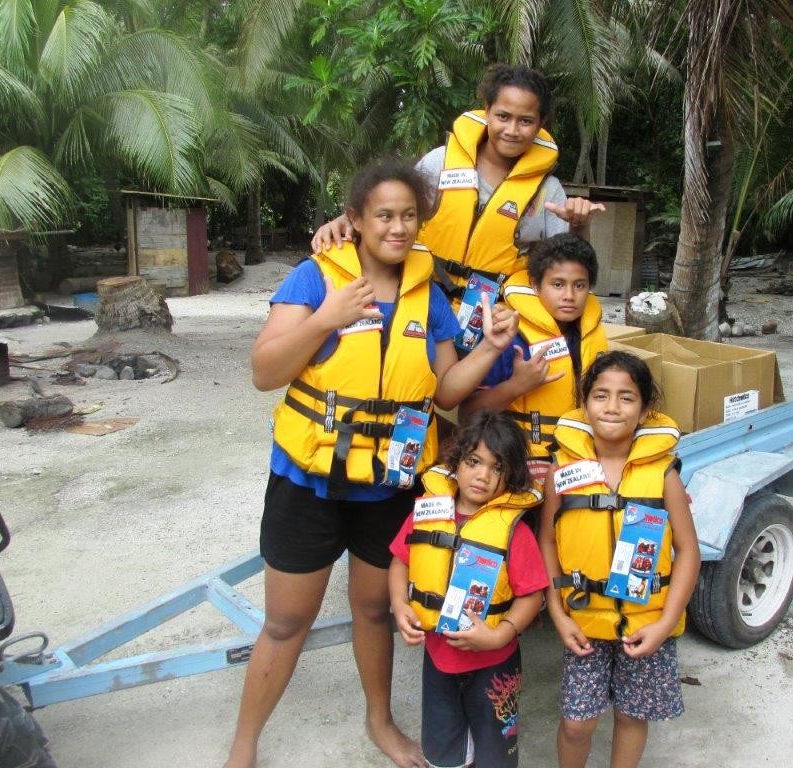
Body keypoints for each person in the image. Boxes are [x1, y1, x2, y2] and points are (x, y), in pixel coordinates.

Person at [224, 160, 520, 768]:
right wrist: (327, 319)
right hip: (308, 482)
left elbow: (445, 391)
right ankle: (244, 745)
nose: (398, 227)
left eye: (409, 215)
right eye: (384, 215)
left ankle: (379, 721)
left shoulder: (428, 294)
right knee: (286, 622)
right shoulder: (315, 278)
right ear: (354, 219)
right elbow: (264, 371)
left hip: (389, 486)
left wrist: (490, 347)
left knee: (373, 609)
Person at [312, 64, 605, 303]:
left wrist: (579, 225)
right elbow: (390, 206)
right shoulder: (440, 162)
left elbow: (571, 265)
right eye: (503, 116)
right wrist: (347, 221)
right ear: (487, 111)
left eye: (525, 121)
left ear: (540, 124)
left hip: (490, 313)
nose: (512, 130)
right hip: (423, 295)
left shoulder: (548, 191)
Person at [537, 352, 700, 768]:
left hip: (647, 624)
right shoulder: (562, 469)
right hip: (583, 623)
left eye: (626, 397)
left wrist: (665, 624)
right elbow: (548, 542)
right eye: (600, 395)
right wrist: (558, 614)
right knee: (576, 724)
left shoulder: (664, 474)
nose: (612, 407)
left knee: (631, 716)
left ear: (645, 410)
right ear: (584, 404)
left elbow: (688, 551)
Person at [389, 410, 548, 768]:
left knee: (496, 754)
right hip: (438, 660)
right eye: (474, 462)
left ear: (511, 477)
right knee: (445, 750)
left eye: (497, 467)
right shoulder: (427, 513)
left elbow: (532, 594)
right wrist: (400, 604)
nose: (482, 475)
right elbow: (400, 561)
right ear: (456, 463)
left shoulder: (515, 531)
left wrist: (500, 635)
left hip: (496, 665)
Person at [459, 233, 608, 481]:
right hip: (520, 463)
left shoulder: (591, 335)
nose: (569, 295)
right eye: (558, 284)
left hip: (580, 460)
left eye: (579, 285)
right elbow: (467, 415)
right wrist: (516, 386)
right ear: (535, 285)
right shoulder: (509, 337)